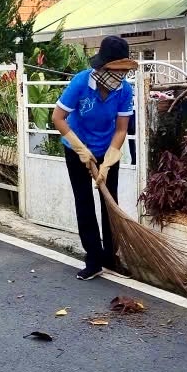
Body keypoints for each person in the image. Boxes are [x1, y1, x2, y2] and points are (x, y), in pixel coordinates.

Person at [51, 35, 137, 281]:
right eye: (115, 70)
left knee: (111, 203)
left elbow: (121, 129)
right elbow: (58, 118)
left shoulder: (124, 90)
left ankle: (111, 257)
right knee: (84, 202)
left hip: (107, 148)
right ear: (102, 67)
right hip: (77, 148)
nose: (119, 76)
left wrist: (108, 162)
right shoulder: (81, 82)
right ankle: (94, 259)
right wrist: (81, 149)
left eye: (123, 71)